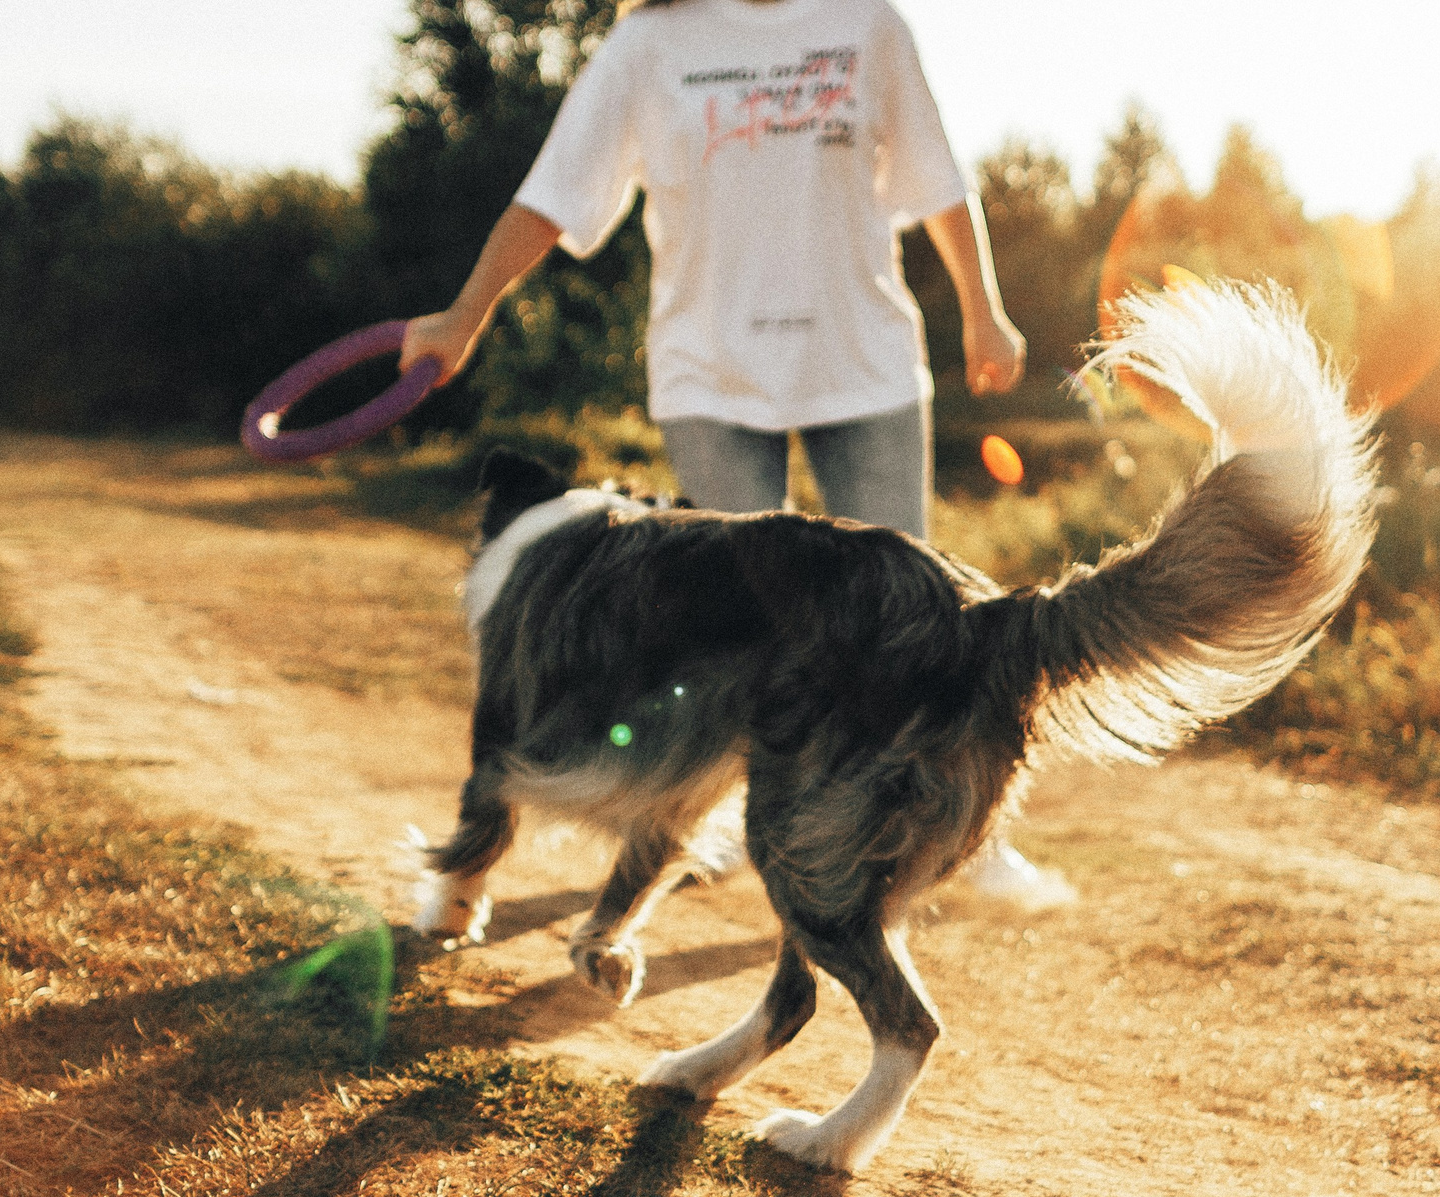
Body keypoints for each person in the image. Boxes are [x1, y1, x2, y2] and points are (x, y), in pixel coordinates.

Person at [400, 0, 1069, 906]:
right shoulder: (649, 42)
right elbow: (552, 194)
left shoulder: (868, 24)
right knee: (735, 630)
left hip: (861, 367)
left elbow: (938, 179)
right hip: (711, 379)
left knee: (907, 626)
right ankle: (717, 827)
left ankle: (961, 838)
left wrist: (983, 308)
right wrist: (464, 312)